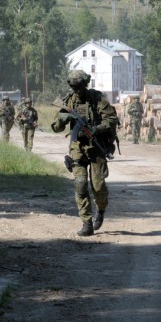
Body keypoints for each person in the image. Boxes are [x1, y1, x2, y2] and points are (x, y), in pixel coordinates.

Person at [51, 70, 119, 236]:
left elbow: (111, 119)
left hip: (96, 147)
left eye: (80, 86)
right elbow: (55, 127)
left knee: (98, 186)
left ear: (85, 84)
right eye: (74, 87)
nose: (77, 90)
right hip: (77, 148)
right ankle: (86, 223)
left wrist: (97, 129)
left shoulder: (97, 98)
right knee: (80, 185)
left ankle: (100, 211)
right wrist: (63, 118)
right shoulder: (68, 102)